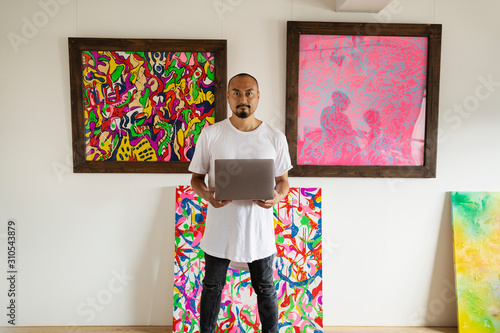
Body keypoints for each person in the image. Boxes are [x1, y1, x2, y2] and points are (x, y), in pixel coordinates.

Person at [189, 73, 292, 333]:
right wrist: (207, 196)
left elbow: (283, 182)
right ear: (227, 96)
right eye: (236, 92)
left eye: (249, 93)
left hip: (259, 230)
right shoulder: (211, 134)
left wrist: (277, 197)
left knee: (266, 288)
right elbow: (196, 179)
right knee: (212, 286)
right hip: (220, 229)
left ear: (258, 97)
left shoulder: (275, 137)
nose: (242, 99)